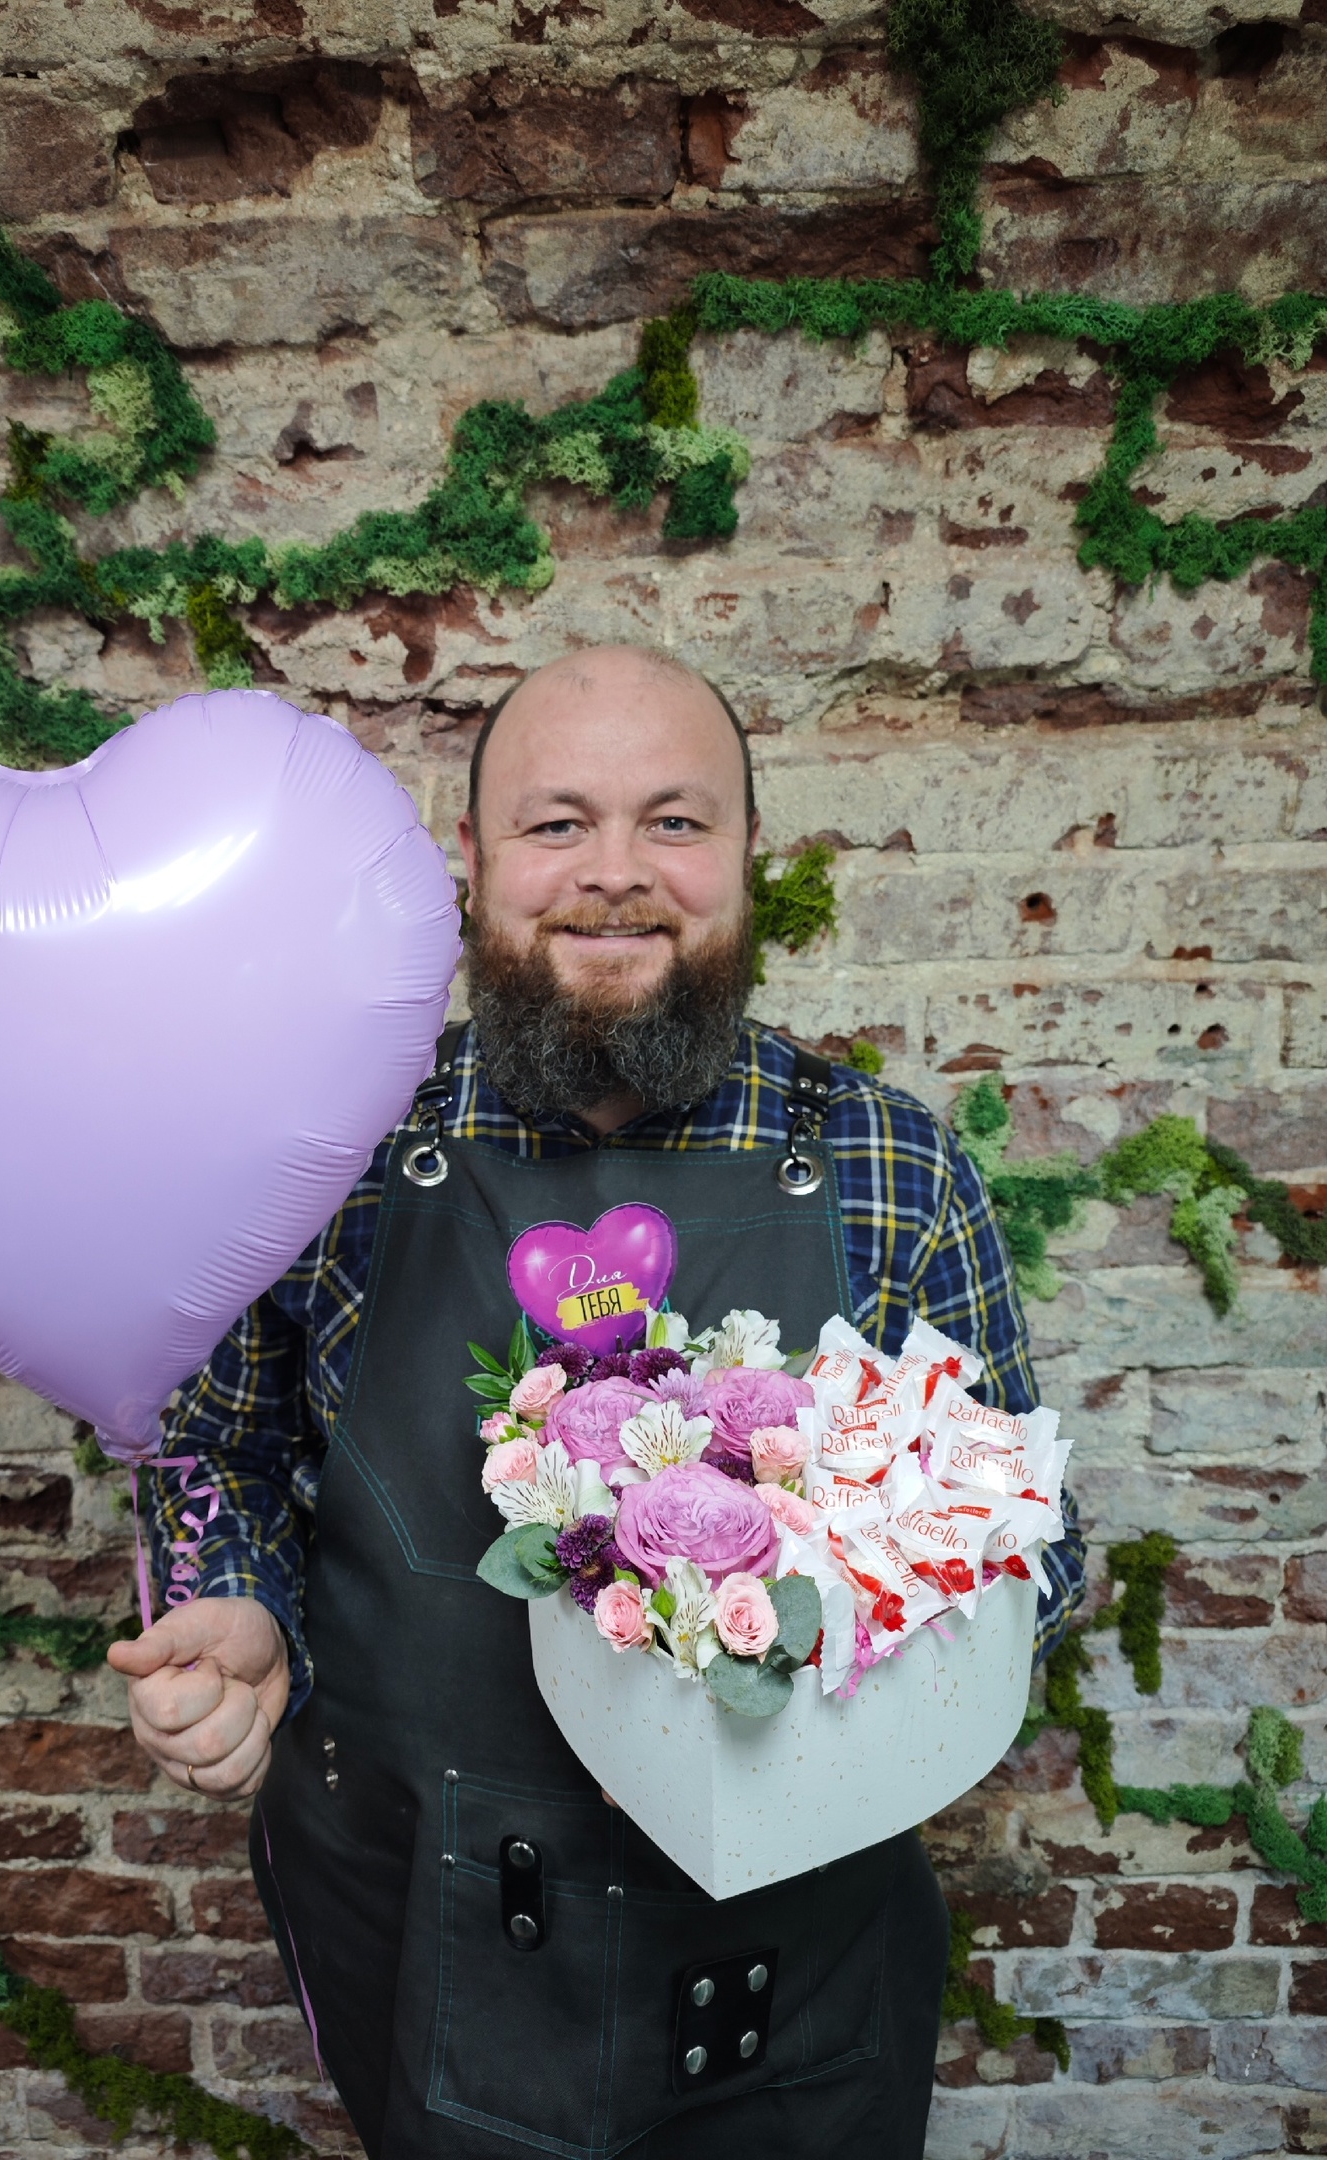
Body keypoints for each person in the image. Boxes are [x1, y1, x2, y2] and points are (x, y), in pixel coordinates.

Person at [109, 644, 1086, 2160]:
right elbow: (218, 1452)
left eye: (674, 822)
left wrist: (805, 1648)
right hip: (418, 1916)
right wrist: (233, 1603)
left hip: (794, 1961)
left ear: (749, 854)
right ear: (475, 859)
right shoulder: (336, 1157)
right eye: (557, 823)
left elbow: (1035, 1552)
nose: (615, 873)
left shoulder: (891, 1164)